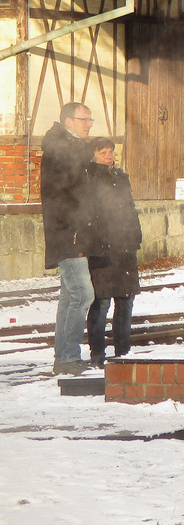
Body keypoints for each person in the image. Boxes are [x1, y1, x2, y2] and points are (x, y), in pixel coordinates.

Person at [41, 102, 96, 375]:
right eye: (84, 119)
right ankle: (69, 357)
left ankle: (64, 356)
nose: (89, 124)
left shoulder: (69, 148)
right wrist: (77, 225)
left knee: (69, 296)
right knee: (83, 294)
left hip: (70, 230)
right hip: (69, 231)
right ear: (68, 121)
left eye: (90, 119)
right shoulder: (62, 150)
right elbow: (66, 194)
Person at [84, 137, 142, 365]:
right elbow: (88, 214)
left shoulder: (121, 178)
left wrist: (136, 235)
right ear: (93, 155)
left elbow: (130, 208)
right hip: (103, 248)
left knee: (126, 301)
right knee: (101, 302)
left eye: (111, 152)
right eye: (103, 152)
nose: (109, 156)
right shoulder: (89, 178)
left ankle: (123, 352)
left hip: (125, 246)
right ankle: (97, 354)